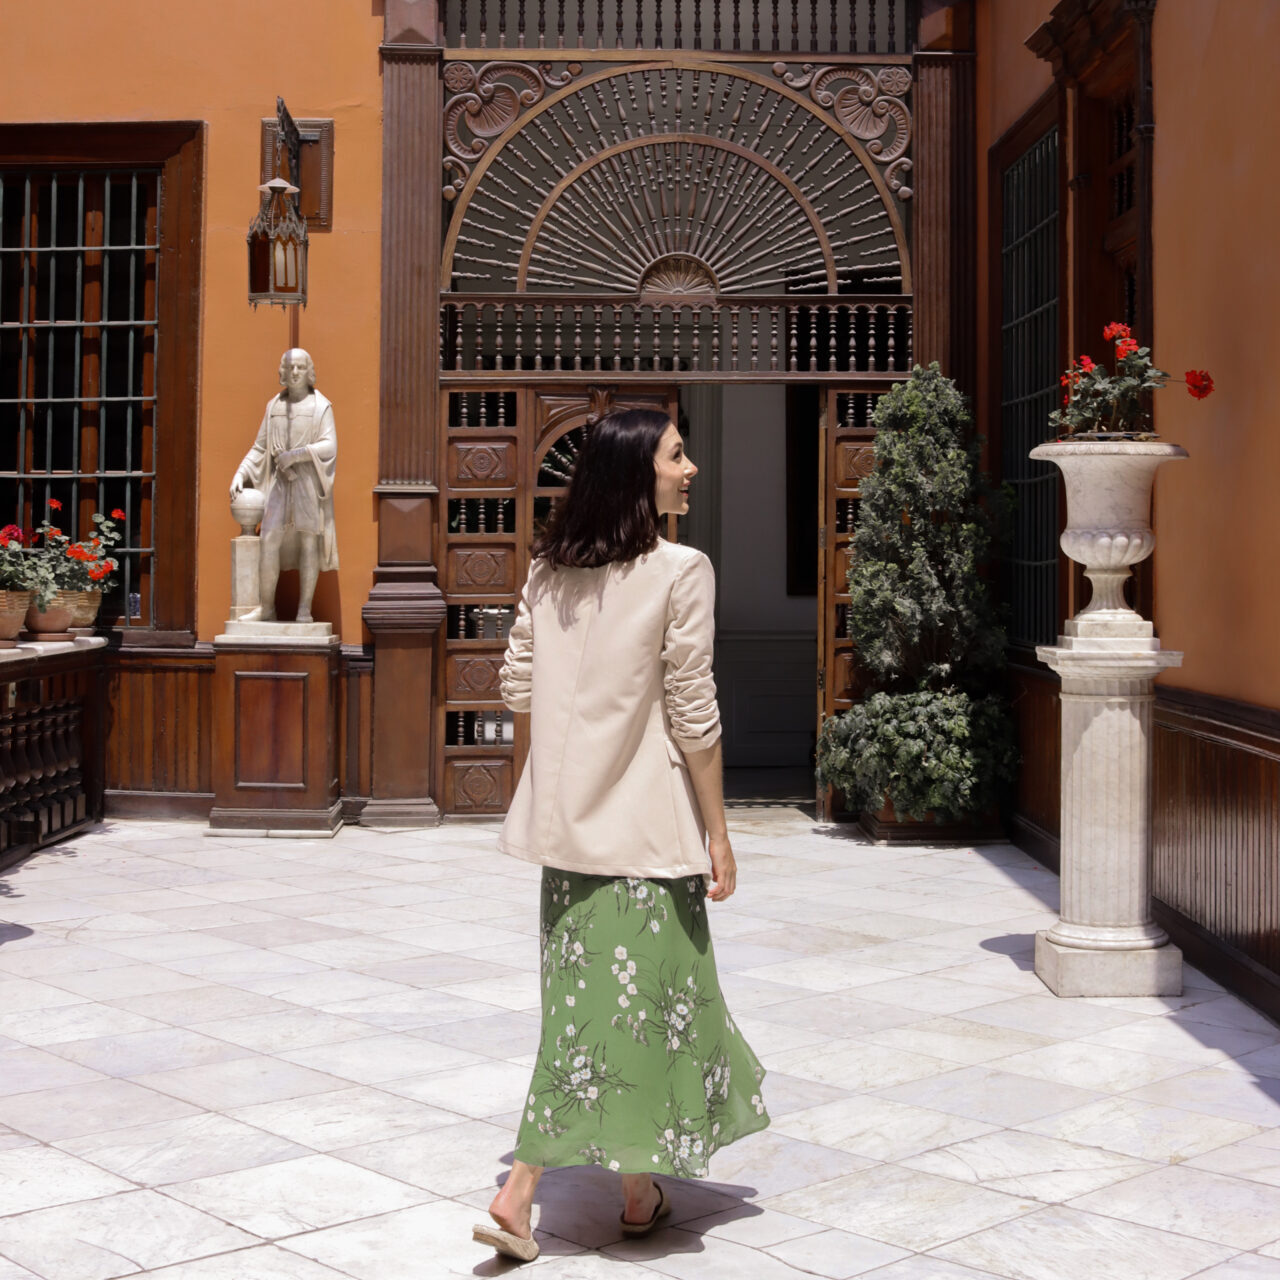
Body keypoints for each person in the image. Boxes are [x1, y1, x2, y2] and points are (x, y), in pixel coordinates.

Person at [472, 409, 769, 1264]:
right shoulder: (682, 570)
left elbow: (518, 688)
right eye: (678, 455)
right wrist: (721, 832)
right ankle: (519, 1191)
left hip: (570, 841)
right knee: (608, 1017)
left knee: (603, 1007)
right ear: (638, 473)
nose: (692, 469)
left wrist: (547, 799)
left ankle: (639, 1189)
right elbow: (693, 712)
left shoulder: (546, 576)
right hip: (643, 834)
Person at [228, 348, 338, 623]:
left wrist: (295, 455)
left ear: (309, 371)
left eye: (300, 367)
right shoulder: (274, 406)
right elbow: (260, 446)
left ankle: (304, 609)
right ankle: (267, 608)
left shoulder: (320, 406)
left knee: (308, 542)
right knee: (269, 539)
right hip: (280, 483)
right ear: (282, 372)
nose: (295, 372)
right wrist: (241, 473)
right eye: (289, 368)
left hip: (307, 483)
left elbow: (329, 445)